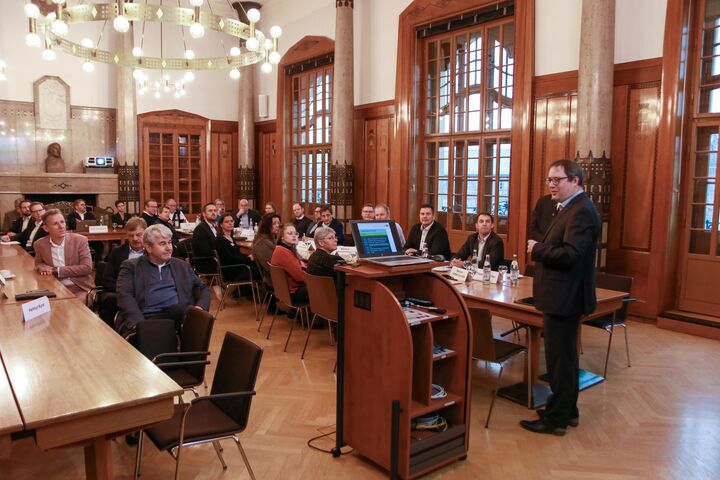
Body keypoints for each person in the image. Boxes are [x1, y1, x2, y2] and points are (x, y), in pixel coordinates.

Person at [520, 159, 601, 436]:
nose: (551, 185)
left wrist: (539, 249)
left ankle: (555, 420)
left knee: (560, 359)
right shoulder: (569, 208)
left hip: (565, 297)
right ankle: (567, 410)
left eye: (557, 180)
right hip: (559, 295)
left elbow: (570, 255)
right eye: (549, 180)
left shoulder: (581, 212)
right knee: (562, 359)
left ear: (575, 180)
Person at [116, 224, 210, 335]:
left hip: (179, 320)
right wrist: (139, 324)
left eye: (169, 242)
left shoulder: (181, 266)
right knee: (175, 313)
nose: (169, 248)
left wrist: (199, 308)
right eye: (162, 244)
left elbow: (202, 288)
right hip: (146, 319)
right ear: (148, 247)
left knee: (180, 312)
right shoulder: (131, 267)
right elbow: (124, 296)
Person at [34, 209, 94, 300]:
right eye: (55, 224)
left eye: (62, 222)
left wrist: (56, 270)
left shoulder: (80, 240)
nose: (61, 226)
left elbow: (87, 268)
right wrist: (42, 267)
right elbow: (38, 263)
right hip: (53, 287)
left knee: (70, 309)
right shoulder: (39, 244)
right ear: (46, 228)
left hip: (80, 288)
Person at [100, 217, 147, 326]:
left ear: (146, 233)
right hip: (121, 292)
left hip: (145, 292)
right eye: (131, 235)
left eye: (139, 234)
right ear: (126, 235)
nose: (135, 239)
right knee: (110, 301)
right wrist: (126, 291)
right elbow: (107, 280)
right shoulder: (117, 252)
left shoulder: (152, 252)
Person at [215, 213, 260, 283]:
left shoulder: (231, 238)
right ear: (221, 225)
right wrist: (248, 258)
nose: (230, 223)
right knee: (260, 270)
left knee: (257, 264)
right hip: (231, 270)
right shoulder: (220, 240)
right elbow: (230, 259)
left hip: (238, 267)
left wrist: (249, 257)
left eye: (231, 221)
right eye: (227, 222)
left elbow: (238, 255)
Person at [270, 223, 308, 304]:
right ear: (282, 237)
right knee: (324, 288)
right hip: (292, 292)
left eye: (295, 233)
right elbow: (300, 277)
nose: (294, 236)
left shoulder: (283, 248)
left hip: (286, 290)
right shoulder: (282, 252)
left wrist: (303, 265)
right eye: (290, 233)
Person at [252, 213, 281, 286]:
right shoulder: (263, 243)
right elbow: (275, 265)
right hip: (274, 279)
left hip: (277, 276)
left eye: (278, 223)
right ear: (267, 226)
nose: (278, 226)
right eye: (274, 223)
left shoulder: (270, 239)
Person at [191, 202, 219, 274]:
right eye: (210, 211)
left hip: (215, 259)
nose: (213, 213)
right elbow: (206, 251)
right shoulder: (200, 229)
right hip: (207, 263)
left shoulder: (215, 227)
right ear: (204, 214)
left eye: (215, 210)